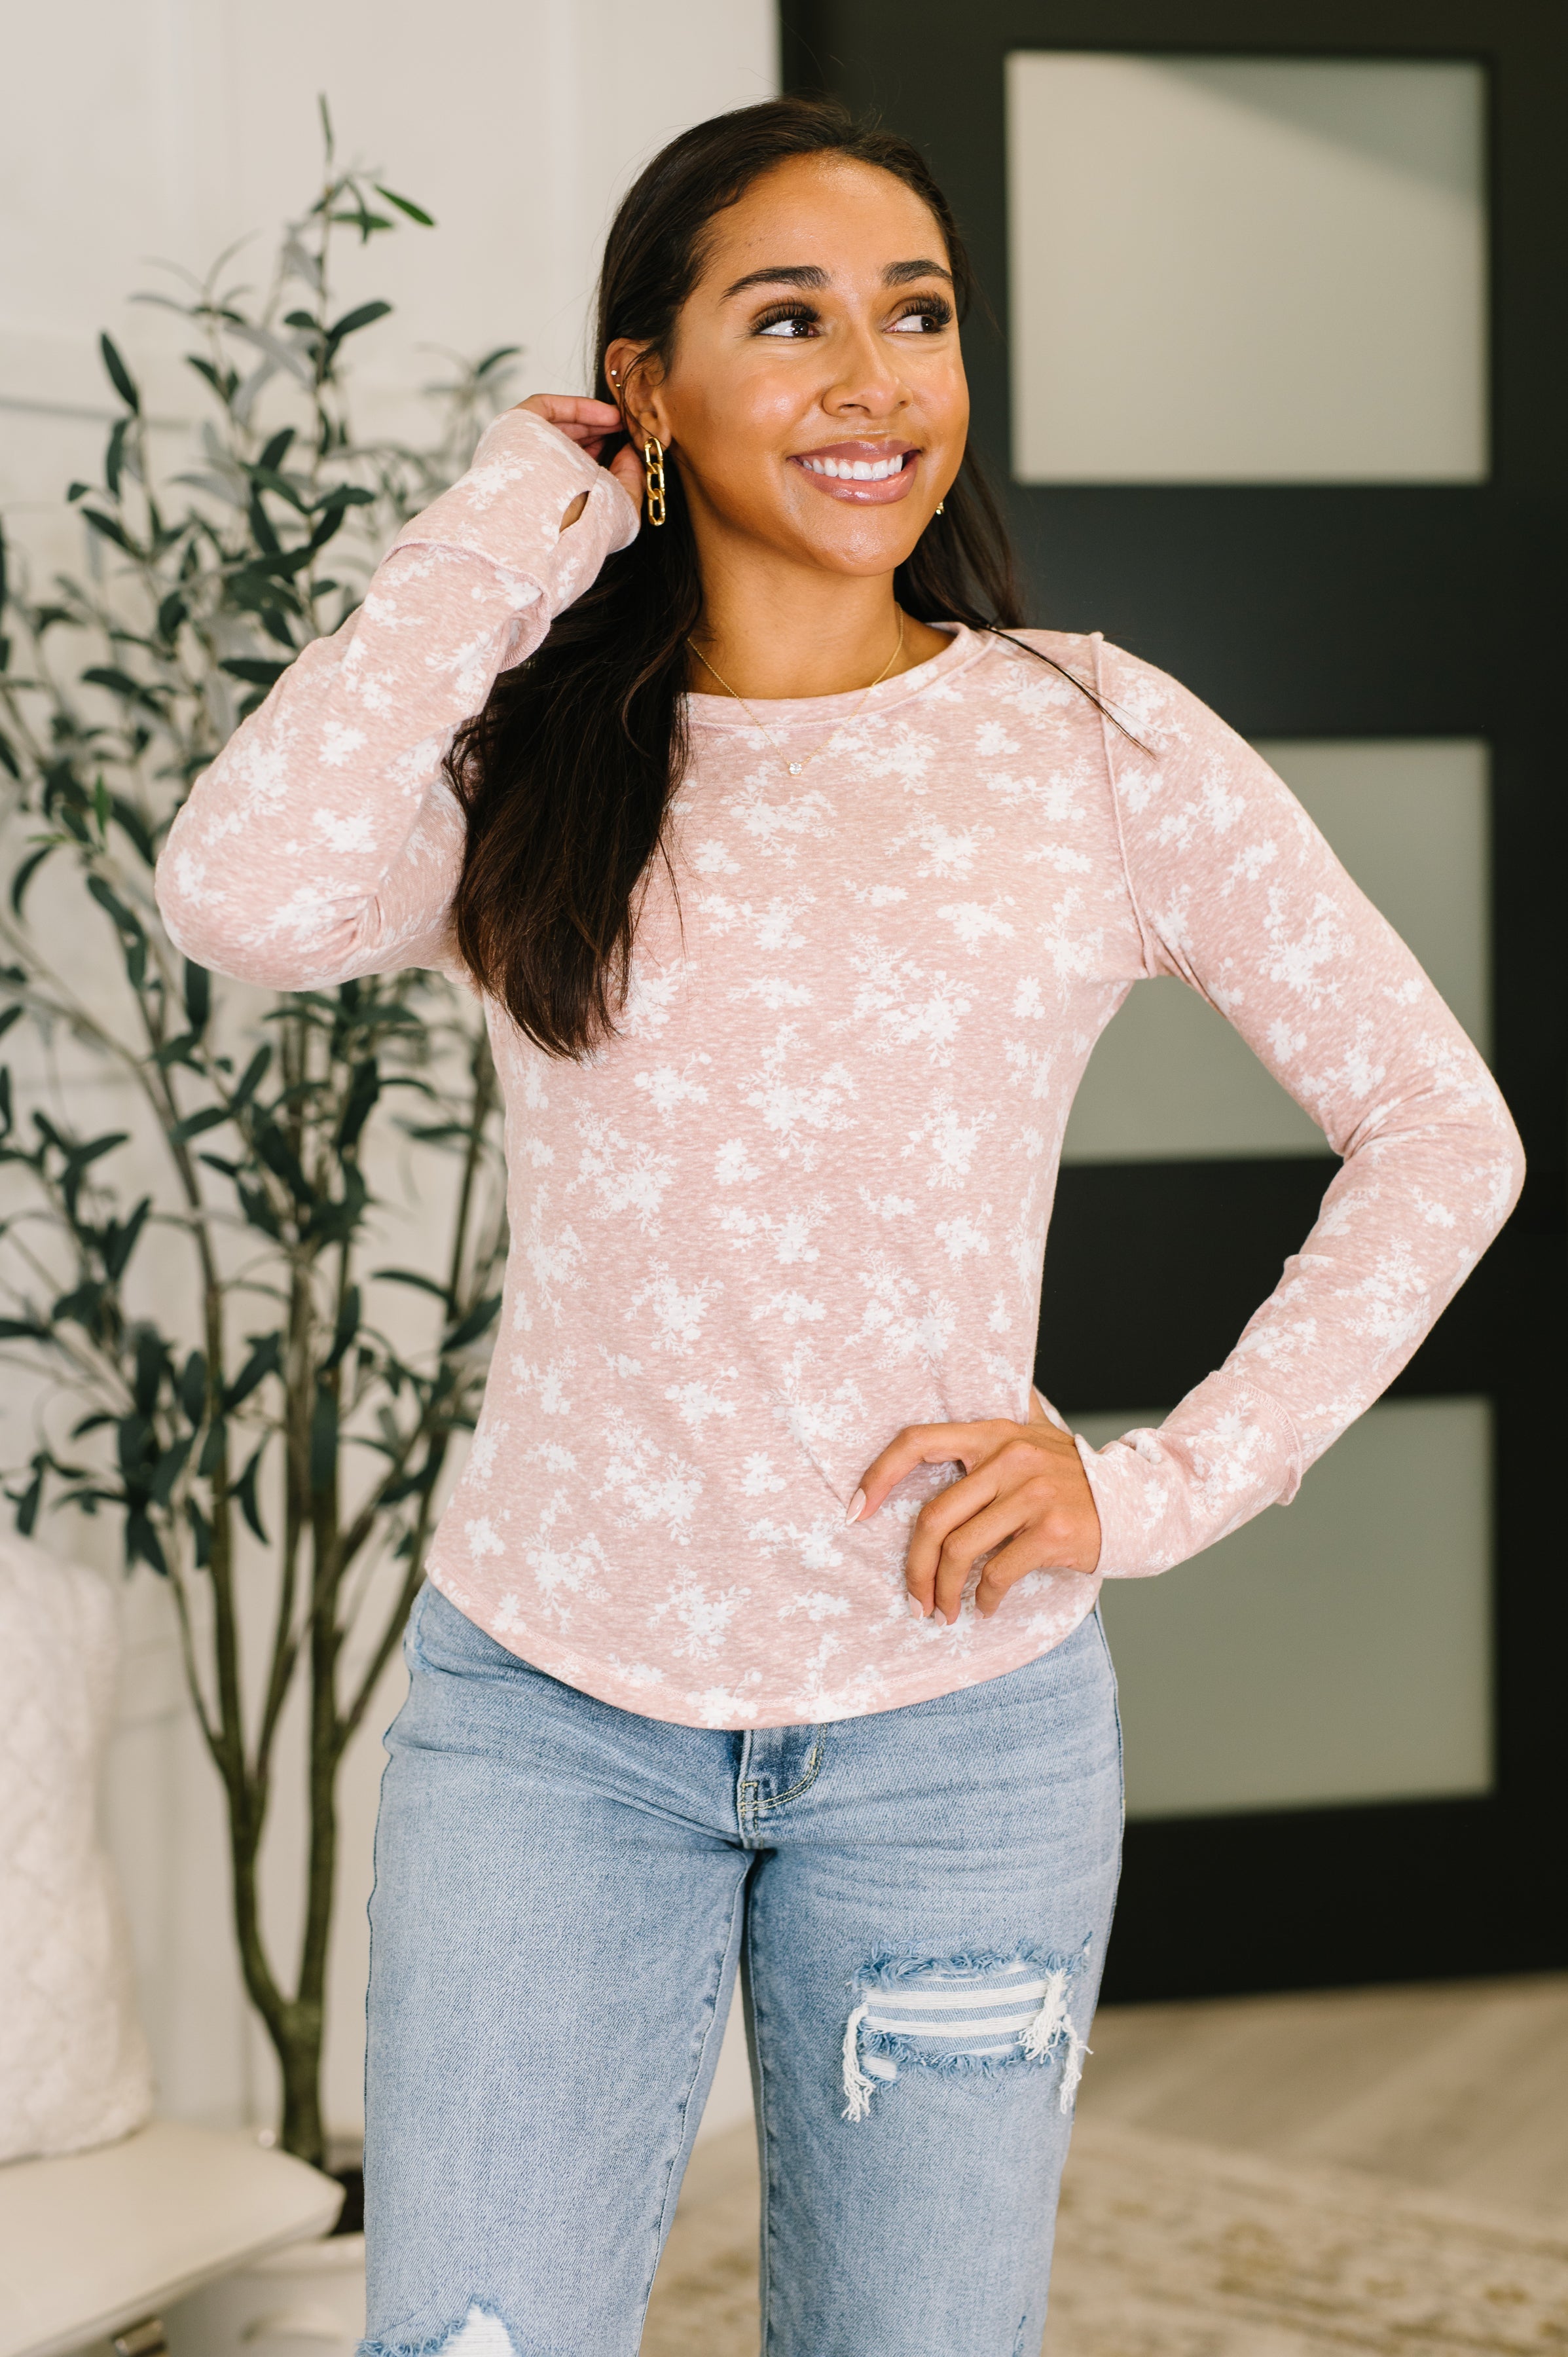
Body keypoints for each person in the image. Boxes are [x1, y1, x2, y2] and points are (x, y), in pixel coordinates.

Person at [156, 94, 1523, 2357]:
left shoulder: (1089, 738)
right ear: (651, 388)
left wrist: (1154, 1480)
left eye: (917, 315)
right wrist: (519, 508)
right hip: (548, 1718)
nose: (872, 377)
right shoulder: (531, 761)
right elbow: (242, 891)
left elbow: (1436, 1126)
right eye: (784, 321)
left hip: (952, 1737)